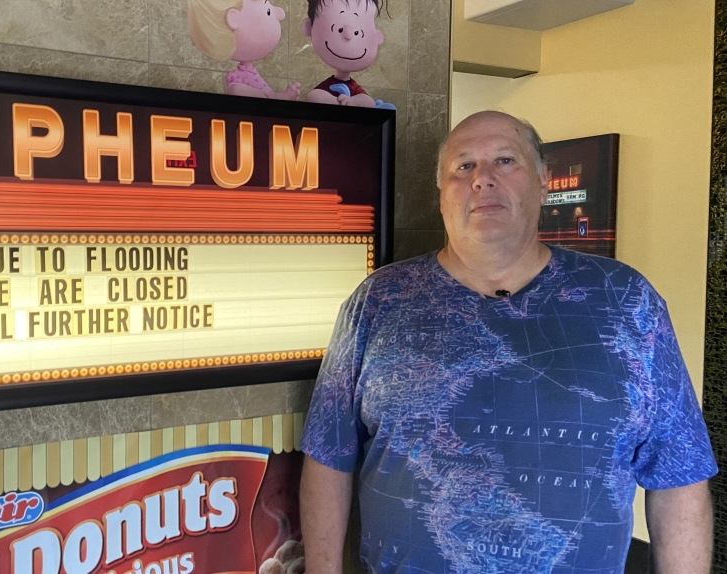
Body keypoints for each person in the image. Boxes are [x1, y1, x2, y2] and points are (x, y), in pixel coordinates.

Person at [299, 111, 718, 573]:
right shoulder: (376, 302)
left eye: (504, 160)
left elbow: (679, 477)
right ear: (441, 194)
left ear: (543, 182)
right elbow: (327, 458)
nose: (483, 179)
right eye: (463, 166)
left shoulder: (628, 302)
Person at [186, 0, 300, 100]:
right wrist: (257, 94)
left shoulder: (249, 72)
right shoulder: (237, 76)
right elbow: (235, 90)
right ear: (234, 19)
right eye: (268, 11)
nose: (281, 14)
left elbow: (269, 97)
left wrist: (277, 97)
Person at [302, 0, 384, 107]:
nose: (348, 35)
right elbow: (313, 96)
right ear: (309, 27)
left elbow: (369, 102)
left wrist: (353, 102)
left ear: (377, 36)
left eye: (356, 32)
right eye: (340, 29)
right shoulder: (328, 85)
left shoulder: (353, 87)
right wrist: (335, 102)